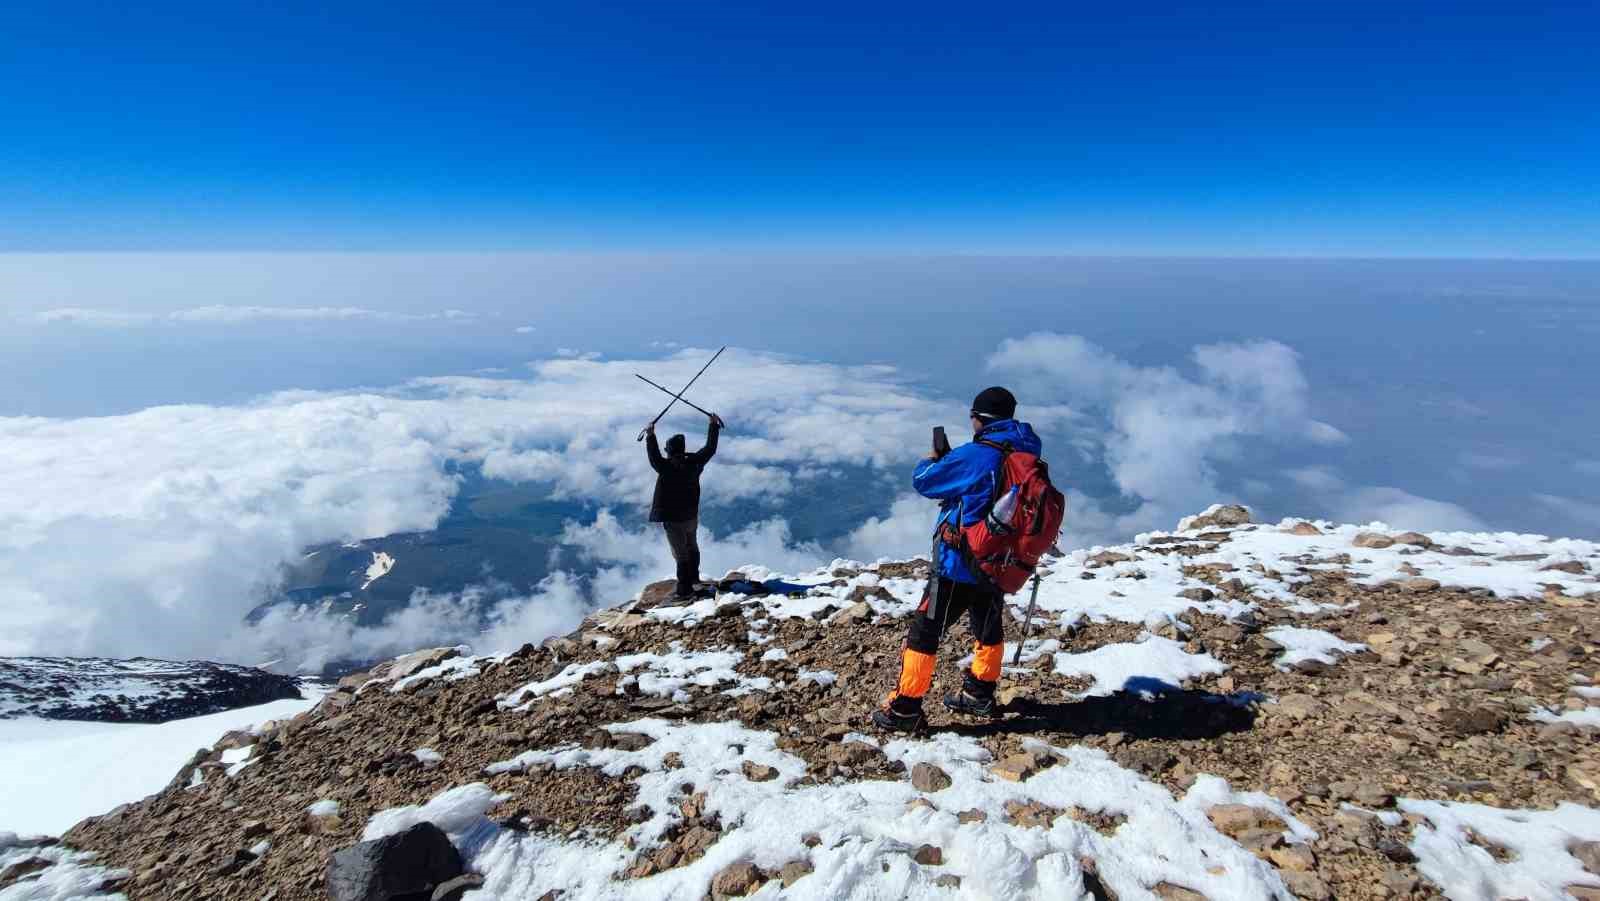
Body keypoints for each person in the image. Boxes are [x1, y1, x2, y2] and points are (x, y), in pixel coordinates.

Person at [872, 386, 1042, 732]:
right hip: (1001, 559)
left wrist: (934, 459)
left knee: (925, 631)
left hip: (959, 560)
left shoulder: (976, 455)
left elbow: (924, 482)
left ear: (978, 419)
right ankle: (979, 692)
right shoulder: (1028, 450)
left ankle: (905, 708)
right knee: (987, 624)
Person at [645, 414, 723, 599]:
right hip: (690, 516)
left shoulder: (666, 467)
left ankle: (684, 590)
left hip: (673, 520)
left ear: (669, 451)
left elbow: (654, 457)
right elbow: (710, 448)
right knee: (692, 547)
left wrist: (650, 435)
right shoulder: (694, 462)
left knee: (680, 554)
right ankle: (694, 579)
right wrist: (713, 426)